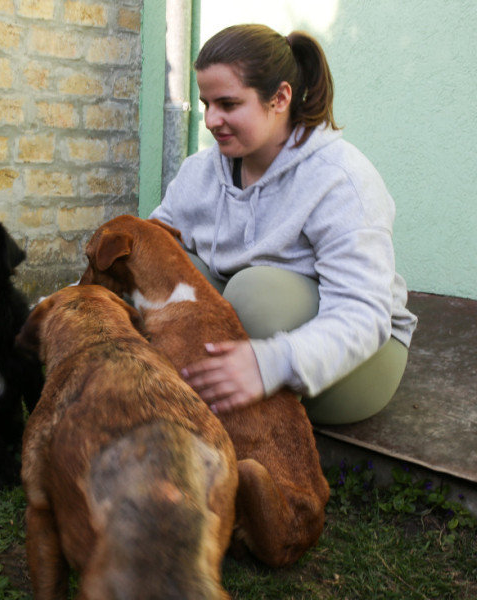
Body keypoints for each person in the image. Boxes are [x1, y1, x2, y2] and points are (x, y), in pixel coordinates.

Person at [149, 24, 418, 425]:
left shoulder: (339, 178)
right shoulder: (199, 173)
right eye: (206, 103)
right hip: (250, 348)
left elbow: (364, 314)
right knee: (165, 259)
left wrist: (271, 363)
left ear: (280, 98)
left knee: (256, 293)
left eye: (228, 104)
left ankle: (255, 421)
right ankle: (211, 401)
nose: (210, 119)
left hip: (362, 361)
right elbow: (144, 250)